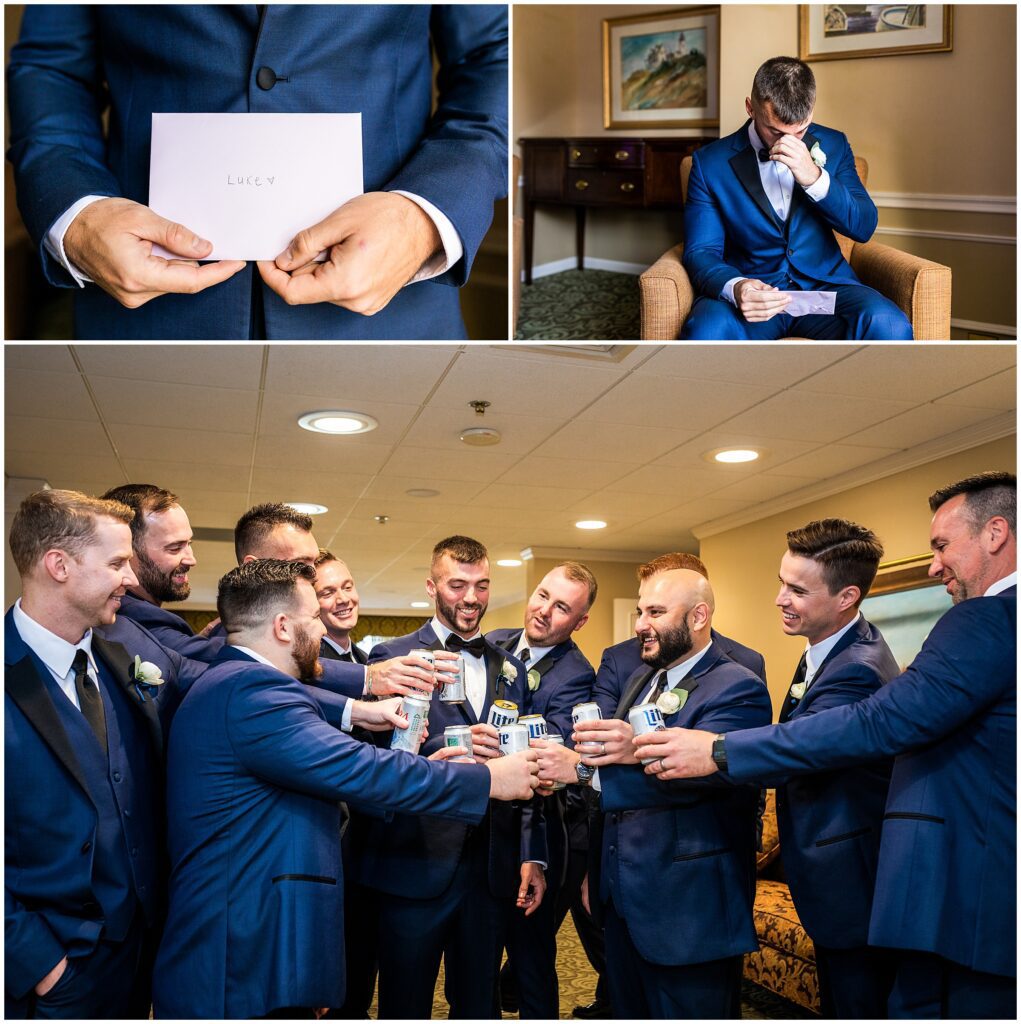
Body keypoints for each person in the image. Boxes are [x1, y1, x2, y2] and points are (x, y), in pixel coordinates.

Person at [637, 472, 1016, 1019]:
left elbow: (873, 722)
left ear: (996, 533)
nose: (935, 563)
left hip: (947, 885)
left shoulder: (984, 620)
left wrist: (718, 749)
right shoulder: (829, 648)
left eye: (940, 545)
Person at [151, 559, 539, 1018]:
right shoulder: (254, 695)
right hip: (243, 947)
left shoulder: (241, 682)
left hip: (255, 935)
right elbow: (367, 771)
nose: (321, 627)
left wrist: (361, 715)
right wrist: (491, 779)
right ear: (281, 626)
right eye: (313, 616)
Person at [7, 5, 508, 340]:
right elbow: (53, 67)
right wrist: (78, 212)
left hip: (391, 312)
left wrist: (422, 218)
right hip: (141, 309)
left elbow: (494, 54)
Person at [538, 567, 772, 1018]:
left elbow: (699, 782)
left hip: (689, 910)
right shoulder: (644, 680)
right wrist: (599, 875)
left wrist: (585, 772)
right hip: (625, 902)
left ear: (699, 615)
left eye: (656, 612)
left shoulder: (738, 687)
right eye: (641, 610)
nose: (641, 623)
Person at [356, 535, 540, 1019]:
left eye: (481, 585)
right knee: (405, 1003)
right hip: (414, 860)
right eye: (457, 585)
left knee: (479, 1004)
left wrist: (529, 854)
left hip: (490, 867)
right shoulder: (391, 657)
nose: (472, 598)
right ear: (432, 587)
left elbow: (524, 771)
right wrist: (447, 749)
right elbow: (370, 759)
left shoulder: (511, 668)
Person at [4, 490, 172, 1018]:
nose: (131, 578)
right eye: (118, 562)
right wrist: (42, 968)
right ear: (59, 565)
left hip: (141, 952)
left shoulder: (125, 658)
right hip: (51, 970)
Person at [105, 487, 434, 700]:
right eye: (176, 547)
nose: (191, 558)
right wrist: (366, 679)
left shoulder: (203, 635)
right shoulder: (128, 619)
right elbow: (247, 675)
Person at [681, 55, 913, 340]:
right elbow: (701, 251)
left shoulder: (835, 144)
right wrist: (738, 287)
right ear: (750, 108)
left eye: (800, 130)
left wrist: (814, 177)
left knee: (888, 324)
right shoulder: (709, 164)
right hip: (754, 296)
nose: (787, 141)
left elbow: (863, 227)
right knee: (706, 330)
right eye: (775, 131)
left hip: (825, 290)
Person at [768, 518, 900, 1017]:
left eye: (797, 590)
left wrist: (709, 749)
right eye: (782, 582)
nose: (781, 598)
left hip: (852, 881)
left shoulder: (858, 669)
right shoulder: (828, 649)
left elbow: (795, 747)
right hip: (829, 872)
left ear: (846, 597)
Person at [488, 562, 599, 1019]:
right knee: (474, 959)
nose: (543, 612)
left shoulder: (575, 674)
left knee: (531, 960)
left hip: (537, 835)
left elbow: (543, 756)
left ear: (579, 621)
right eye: (541, 595)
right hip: (478, 827)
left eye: (561, 608)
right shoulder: (493, 641)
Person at [314, 551, 367, 664]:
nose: (343, 599)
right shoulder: (310, 665)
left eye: (347, 587)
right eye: (328, 593)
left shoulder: (366, 659)